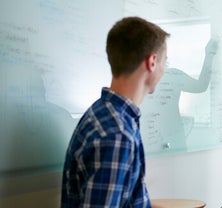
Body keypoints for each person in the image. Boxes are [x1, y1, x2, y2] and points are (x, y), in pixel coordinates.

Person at [61, 16, 169, 207]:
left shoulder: (105, 113)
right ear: (152, 62)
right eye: (164, 61)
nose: (164, 70)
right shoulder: (117, 134)